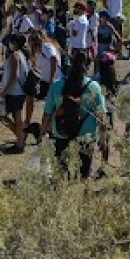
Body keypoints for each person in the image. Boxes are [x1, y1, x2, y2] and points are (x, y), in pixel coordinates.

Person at [44, 51, 106, 181]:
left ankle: (61, 196)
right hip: (86, 134)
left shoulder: (56, 85)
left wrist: (42, 133)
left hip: (61, 132)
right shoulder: (93, 87)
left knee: (60, 171)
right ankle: (84, 196)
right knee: (84, 173)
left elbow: (48, 113)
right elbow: (101, 115)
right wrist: (102, 137)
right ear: (88, 66)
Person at [0, 31, 31, 151]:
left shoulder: (15, 56)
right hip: (17, 92)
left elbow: (14, 76)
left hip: (14, 92)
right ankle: (20, 137)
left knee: (8, 117)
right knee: (12, 117)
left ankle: (20, 141)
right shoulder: (21, 55)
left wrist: (4, 91)